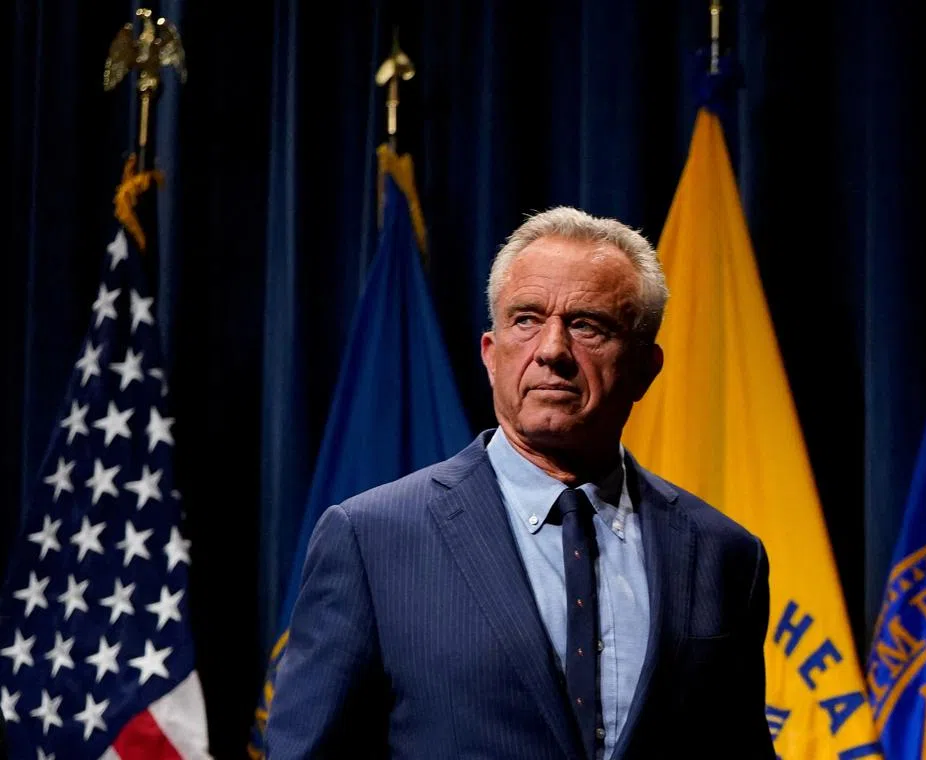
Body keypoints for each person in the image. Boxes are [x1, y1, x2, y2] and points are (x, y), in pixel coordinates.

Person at [266, 207, 778, 759]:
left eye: (587, 325)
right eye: (527, 319)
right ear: (492, 354)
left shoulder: (725, 555)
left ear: (644, 368)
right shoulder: (372, 540)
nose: (553, 350)